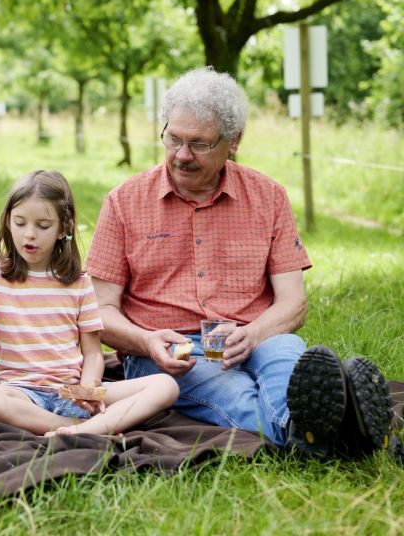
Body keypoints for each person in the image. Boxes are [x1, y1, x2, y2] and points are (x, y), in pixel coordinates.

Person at [85, 67, 393, 458]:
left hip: (261, 334)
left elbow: (293, 302)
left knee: (287, 358)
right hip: (171, 350)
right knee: (234, 393)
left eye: (199, 144)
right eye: (174, 138)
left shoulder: (269, 197)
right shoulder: (123, 202)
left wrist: (254, 334)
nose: (182, 155)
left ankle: (319, 435)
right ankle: (338, 435)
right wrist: (146, 340)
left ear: (234, 141)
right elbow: (101, 311)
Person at [0, 170, 179, 436]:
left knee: (165, 386)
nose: (29, 235)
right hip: (21, 394)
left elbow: (94, 353)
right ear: (7, 223)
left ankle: (83, 424)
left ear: (64, 228)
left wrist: (88, 388)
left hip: (72, 390)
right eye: (20, 223)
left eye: (43, 226)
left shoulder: (78, 283)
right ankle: (82, 429)